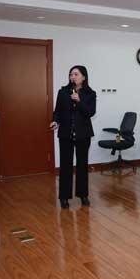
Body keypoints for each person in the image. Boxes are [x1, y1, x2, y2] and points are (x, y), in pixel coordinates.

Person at [50, 65, 96, 209]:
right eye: (71, 74)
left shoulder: (90, 94)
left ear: (83, 77)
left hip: (83, 134)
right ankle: (64, 197)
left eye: (76, 74)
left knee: (82, 165)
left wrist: (79, 100)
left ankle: (83, 195)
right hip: (65, 133)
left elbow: (90, 112)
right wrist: (55, 121)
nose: (73, 77)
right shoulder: (63, 92)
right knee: (65, 165)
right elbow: (57, 111)